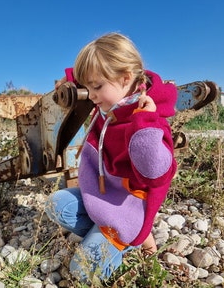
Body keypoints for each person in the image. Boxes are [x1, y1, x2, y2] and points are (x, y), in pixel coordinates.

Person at [45, 32, 177, 283]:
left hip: (129, 209)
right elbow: (104, 73)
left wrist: (144, 124)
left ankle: (131, 235)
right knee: (56, 204)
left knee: (81, 272)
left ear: (126, 77)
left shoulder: (149, 117)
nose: (91, 95)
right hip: (105, 197)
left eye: (96, 87)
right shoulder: (113, 102)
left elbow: (156, 175)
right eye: (87, 87)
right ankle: (111, 234)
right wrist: (72, 77)